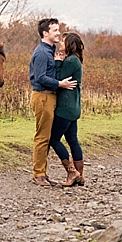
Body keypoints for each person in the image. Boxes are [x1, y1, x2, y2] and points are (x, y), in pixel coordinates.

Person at [29, 17, 77, 186]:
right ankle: (38, 174)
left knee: (48, 136)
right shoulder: (42, 53)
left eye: (58, 30)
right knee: (42, 137)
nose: (58, 33)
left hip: (50, 96)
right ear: (45, 33)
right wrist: (60, 84)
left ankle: (43, 172)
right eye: (55, 30)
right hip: (43, 96)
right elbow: (41, 77)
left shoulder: (50, 51)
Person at [50, 31, 85, 187]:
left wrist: (57, 62)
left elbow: (58, 79)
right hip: (74, 107)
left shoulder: (71, 60)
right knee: (72, 141)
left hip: (65, 107)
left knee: (54, 139)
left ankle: (72, 173)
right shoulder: (75, 60)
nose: (60, 43)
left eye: (63, 41)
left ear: (69, 44)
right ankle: (80, 176)